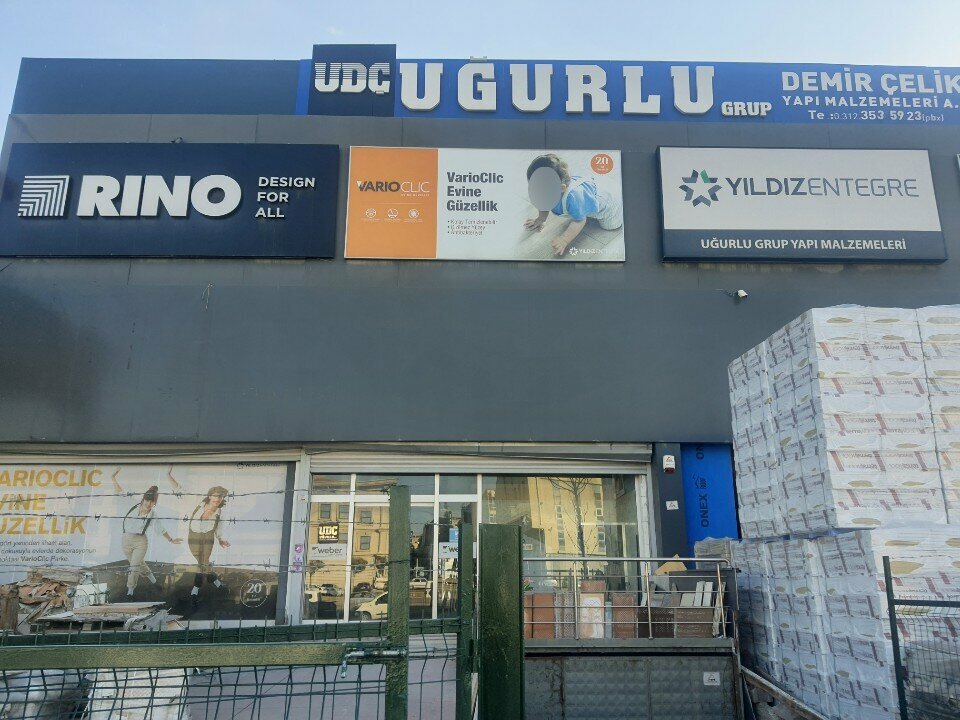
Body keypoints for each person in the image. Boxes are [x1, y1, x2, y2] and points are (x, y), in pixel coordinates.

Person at [523, 154, 623, 257]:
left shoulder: (574, 198)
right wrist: (541, 219)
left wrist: (564, 240)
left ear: (561, 188)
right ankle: (585, 208)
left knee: (610, 226)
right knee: (578, 211)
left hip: (610, 204)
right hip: (593, 190)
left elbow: (579, 221)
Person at [111, 468, 183, 599]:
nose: (149, 504)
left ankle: (130, 591)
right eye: (147, 500)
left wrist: (171, 540)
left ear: (155, 503)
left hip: (140, 542)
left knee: (134, 566)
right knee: (139, 564)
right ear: (143, 499)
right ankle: (154, 581)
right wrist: (113, 478)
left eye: (152, 502)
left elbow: (161, 529)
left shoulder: (152, 515)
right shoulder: (132, 505)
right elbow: (120, 492)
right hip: (126, 540)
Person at [187, 484, 232, 606]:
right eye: (216, 496)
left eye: (221, 497)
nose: (218, 499)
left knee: (203, 562)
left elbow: (219, 529)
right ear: (210, 496)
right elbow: (182, 490)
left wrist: (220, 539)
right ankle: (217, 583)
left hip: (208, 537)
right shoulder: (199, 504)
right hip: (193, 537)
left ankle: (194, 591)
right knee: (202, 563)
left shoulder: (221, 513)